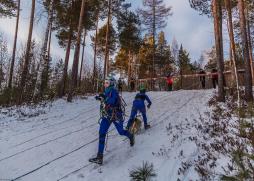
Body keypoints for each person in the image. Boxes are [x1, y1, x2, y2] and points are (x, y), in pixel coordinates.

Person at [89, 76, 134, 165]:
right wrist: (100, 98)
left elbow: (112, 101)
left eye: (107, 82)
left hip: (116, 115)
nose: (105, 84)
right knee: (102, 133)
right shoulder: (106, 91)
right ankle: (99, 157)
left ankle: (130, 135)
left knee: (121, 132)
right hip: (107, 115)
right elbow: (105, 99)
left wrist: (103, 98)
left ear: (112, 83)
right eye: (105, 82)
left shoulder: (114, 91)